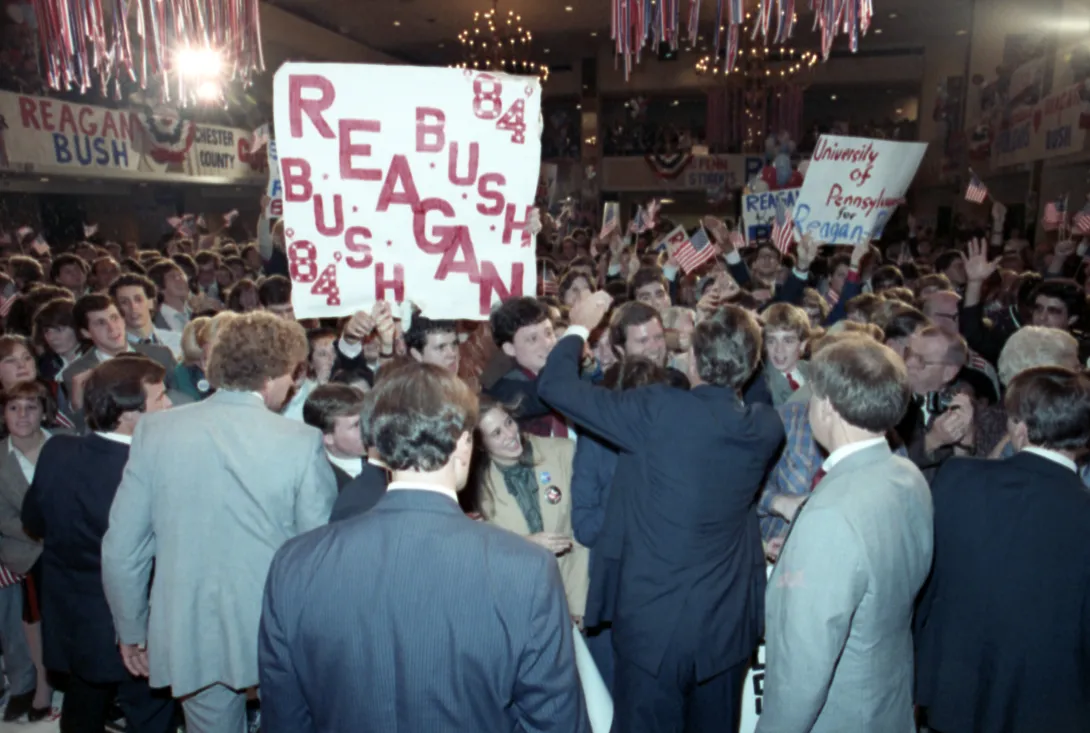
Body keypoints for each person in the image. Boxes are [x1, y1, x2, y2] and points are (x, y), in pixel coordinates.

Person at [258, 362, 590, 733]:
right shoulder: (525, 568)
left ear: (377, 451)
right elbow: (554, 719)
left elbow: (285, 716)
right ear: (465, 445)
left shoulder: (295, 563)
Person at [538, 293, 784, 733]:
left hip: (654, 628)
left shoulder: (658, 410)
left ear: (693, 360)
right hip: (725, 631)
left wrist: (578, 327)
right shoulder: (765, 427)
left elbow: (554, 386)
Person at [101, 311, 337, 733]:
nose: (295, 384)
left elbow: (123, 547)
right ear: (272, 374)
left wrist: (130, 628)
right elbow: (316, 555)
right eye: (293, 374)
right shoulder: (301, 442)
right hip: (275, 627)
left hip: (189, 621)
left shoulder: (156, 431)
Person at [757, 336, 933, 733]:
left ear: (829, 407)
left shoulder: (829, 514)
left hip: (839, 714)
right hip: (889, 701)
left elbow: (801, 670)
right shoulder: (907, 475)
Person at [915, 366, 1090, 733]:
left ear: (1020, 428)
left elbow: (926, 584)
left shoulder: (958, 479)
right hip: (1054, 703)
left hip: (956, 688)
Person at [22, 356, 175, 733]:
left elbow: (32, 523)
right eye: (159, 398)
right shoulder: (149, 470)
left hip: (72, 622)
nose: (170, 404)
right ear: (127, 414)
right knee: (150, 717)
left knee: (82, 709)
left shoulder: (56, 452)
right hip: (134, 626)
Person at [471, 395, 589, 619]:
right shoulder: (479, 488)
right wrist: (525, 544)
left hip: (580, 588)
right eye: (496, 433)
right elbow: (487, 553)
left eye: (508, 422)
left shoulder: (563, 452)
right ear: (481, 446)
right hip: (531, 605)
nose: (510, 434)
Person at [0, 380, 61, 721]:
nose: (22, 415)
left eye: (31, 407)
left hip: (74, 544)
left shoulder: (64, 445)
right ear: (4, 414)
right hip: (27, 549)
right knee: (38, 591)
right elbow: (4, 519)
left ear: (43, 411)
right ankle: (42, 679)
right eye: (13, 407)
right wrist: (46, 538)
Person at [302, 383, 368, 490]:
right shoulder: (320, 484)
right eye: (356, 425)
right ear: (328, 437)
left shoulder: (386, 459)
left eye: (367, 418)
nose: (367, 427)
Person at [110, 273, 183, 360]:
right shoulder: (113, 350)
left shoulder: (178, 341)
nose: (133, 307)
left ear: (151, 302)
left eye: (138, 299)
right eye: (124, 302)